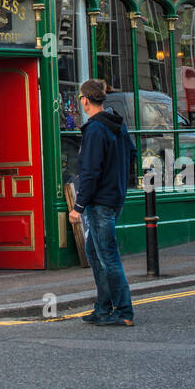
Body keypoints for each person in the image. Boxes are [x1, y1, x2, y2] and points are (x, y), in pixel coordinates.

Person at [68, 78, 137, 327]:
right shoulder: (117, 124)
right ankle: (104, 306)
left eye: (81, 99)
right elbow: (132, 154)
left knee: (107, 255)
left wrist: (78, 207)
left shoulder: (95, 129)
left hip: (100, 202)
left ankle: (124, 310)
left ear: (85, 100)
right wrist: (117, 180)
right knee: (94, 252)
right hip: (114, 197)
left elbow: (90, 172)